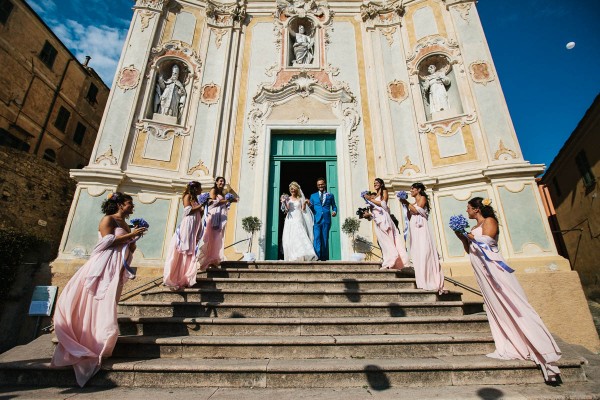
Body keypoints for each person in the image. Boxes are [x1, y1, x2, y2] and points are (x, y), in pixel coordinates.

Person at [454, 197, 562, 383]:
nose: (467, 211)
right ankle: (511, 344)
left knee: (514, 303)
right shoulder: (472, 229)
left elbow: (488, 239)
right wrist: (462, 236)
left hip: (496, 270)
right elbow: (469, 248)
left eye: (469, 208)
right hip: (482, 272)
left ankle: (546, 356)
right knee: (496, 307)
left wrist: (472, 236)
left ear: (477, 209)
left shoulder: (489, 221)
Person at [51, 192, 147, 387]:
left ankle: (100, 338)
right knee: (98, 299)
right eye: (130, 203)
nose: (132, 207)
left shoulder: (126, 224)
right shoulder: (108, 219)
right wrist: (131, 235)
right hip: (103, 264)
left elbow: (129, 247)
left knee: (110, 301)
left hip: (116, 265)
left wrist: (134, 238)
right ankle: (92, 339)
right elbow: (105, 243)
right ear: (120, 204)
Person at [399, 183, 445, 293]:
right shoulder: (413, 203)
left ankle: (430, 280)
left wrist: (406, 202)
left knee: (425, 251)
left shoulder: (423, 198)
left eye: (412, 189)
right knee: (417, 252)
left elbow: (416, 210)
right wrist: (405, 206)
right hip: (414, 228)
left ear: (419, 190)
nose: (411, 190)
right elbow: (410, 215)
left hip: (422, 227)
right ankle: (421, 280)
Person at [163, 181, 204, 289]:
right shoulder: (187, 196)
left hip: (195, 224)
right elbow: (188, 211)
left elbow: (199, 213)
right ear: (195, 188)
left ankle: (186, 277)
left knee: (191, 248)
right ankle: (176, 277)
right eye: (200, 188)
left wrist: (202, 209)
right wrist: (201, 205)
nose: (202, 190)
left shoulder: (196, 199)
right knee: (185, 248)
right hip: (188, 224)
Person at [362, 178, 408, 270]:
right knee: (383, 242)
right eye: (374, 183)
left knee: (388, 239)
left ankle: (392, 259)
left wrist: (370, 199)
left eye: (377, 183)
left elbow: (383, 204)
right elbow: (374, 212)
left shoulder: (384, 191)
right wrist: (368, 215)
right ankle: (389, 260)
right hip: (377, 220)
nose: (375, 184)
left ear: (381, 184)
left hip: (384, 219)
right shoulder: (374, 197)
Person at [197, 177, 237, 270]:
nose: (222, 183)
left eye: (223, 181)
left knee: (217, 238)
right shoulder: (213, 190)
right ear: (216, 182)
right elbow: (212, 202)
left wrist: (230, 201)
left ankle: (214, 261)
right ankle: (208, 261)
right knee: (211, 238)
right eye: (220, 181)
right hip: (214, 215)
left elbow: (223, 202)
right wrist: (227, 200)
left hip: (220, 217)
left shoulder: (222, 193)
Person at [281, 181, 317, 261]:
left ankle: (302, 254)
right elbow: (286, 211)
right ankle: (292, 255)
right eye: (291, 189)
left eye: (294, 188)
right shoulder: (287, 198)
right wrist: (284, 202)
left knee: (299, 234)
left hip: (298, 217)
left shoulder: (300, 199)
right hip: (290, 219)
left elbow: (303, 210)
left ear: (297, 189)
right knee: (290, 236)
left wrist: (305, 203)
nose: (292, 190)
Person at [308, 178, 337, 261]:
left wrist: (334, 211)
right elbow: (310, 208)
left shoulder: (330, 195)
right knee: (316, 238)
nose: (320, 186)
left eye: (322, 184)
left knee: (324, 238)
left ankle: (323, 257)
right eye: (319, 185)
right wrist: (308, 204)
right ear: (317, 186)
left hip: (326, 219)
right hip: (316, 220)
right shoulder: (313, 196)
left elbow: (334, 206)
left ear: (325, 184)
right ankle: (317, 256)